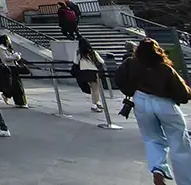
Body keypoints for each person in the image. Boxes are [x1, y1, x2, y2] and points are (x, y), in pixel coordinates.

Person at [115, 39, 191, 185]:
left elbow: (118, 78)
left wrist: (131, 90)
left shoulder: (131, 63)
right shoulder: (164, 68)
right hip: (164, 103)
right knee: (179, 141)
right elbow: (182, 92)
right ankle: (186, 181)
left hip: (141, 101)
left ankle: (158, 169)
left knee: (152, 139)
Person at [74, 37, 106, 112]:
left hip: (83, 72)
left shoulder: (78, 53)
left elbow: (75, 62)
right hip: (93, 72)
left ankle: (97, 102)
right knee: (95, 89)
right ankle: (95, 104)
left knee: (92, 89)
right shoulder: (93, 52)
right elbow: (102, 61)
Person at [0, 35, 29, 108]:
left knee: (17, 85)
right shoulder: (1, 48)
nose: (9, 41)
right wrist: (14, 57)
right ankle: (16, 100)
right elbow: (5, 58)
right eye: (7, 39)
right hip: (9, 67)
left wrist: (17, 55)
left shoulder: (8, 48)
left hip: (14, 67)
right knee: (16, 85)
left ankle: (18, 101)